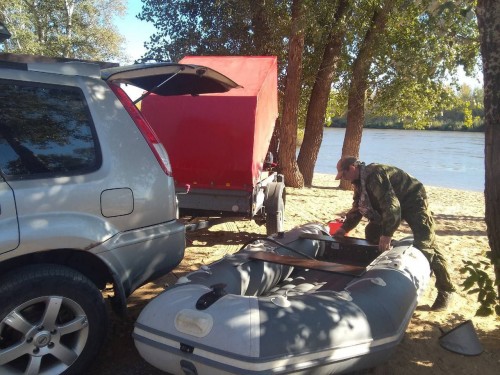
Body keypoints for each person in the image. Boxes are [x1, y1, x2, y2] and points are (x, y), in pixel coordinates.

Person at [333, 156, 455, 311]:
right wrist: (344, 228)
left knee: (426, 243)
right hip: (390, 206)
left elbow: (392, 205)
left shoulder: (374, 175)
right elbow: (357, 208)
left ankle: (446, 290)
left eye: (343, 175)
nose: (344, 179)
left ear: (352, 167)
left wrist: (387, 233)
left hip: (412, 200)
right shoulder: (359, 183)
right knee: (371, 232)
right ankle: (390, 258)